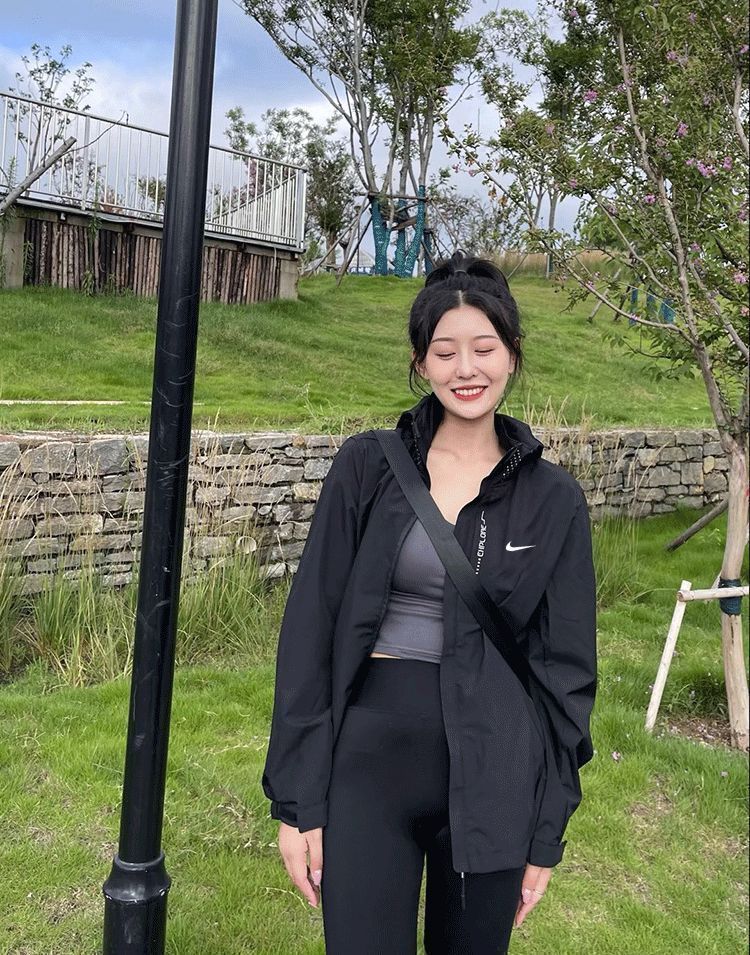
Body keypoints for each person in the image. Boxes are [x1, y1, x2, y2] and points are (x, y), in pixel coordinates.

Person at [262, 251, 598, 954]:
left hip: (497, 774)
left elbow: (565, 674)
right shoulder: (368, 467)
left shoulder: (554, 499)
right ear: (421, 362)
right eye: (445, 352)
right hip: (368, 769)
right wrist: (296, 802)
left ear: (512, 353)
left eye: (485, 348)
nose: (466, 369)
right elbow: (310, 633)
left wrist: (547, 832)